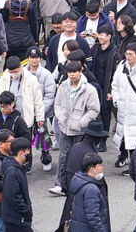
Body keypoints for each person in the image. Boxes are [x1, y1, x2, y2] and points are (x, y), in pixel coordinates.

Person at [51, 61, 101, 192]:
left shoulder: (89, 89)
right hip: (64, 128)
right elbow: (58, 104)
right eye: (69, 72)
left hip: (80, 130)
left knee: (79, 157)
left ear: (80, 71)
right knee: (63, 156)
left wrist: (81, 123)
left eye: (74, 72)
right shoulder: (63, 86)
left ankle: (80, 182)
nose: (72, 75)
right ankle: (60, 184)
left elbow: (94, 110)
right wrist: (61, 119)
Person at [67, 152, 111, 232]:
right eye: (100, 166)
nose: (102, 168)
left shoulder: (78, 181)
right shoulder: (91, 189)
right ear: (92, 169)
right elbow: (93, 217)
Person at [2, 137, 34, 232]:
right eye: (27, 152)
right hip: (17, 218)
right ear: (21, 153)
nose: (29, 155)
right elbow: (13, 196)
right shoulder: (13, 172)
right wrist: (26, 211)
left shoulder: (18, 168)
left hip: (17, 218)